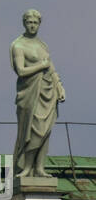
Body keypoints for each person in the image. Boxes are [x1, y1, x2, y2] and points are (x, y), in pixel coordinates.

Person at [10, 10, 65, 179]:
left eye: (35, 23)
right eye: (29, 22)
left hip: (47, 91)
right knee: (31, 129)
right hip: (29, 93)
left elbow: (51, 68)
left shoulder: (42, 45)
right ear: (24, 23)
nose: (32, 25)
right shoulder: (18, 45)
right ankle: (26, 168)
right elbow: (21, 70)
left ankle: (39, 167)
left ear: (39, 24)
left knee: (46, 129)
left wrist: (59, 87)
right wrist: (40, 66)